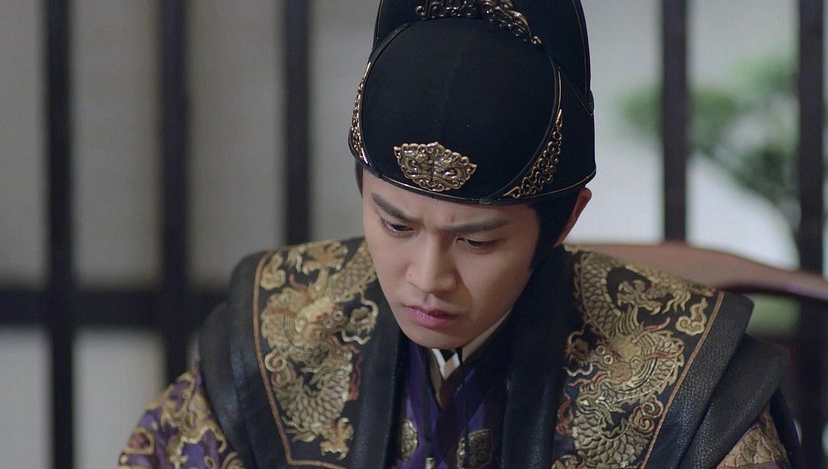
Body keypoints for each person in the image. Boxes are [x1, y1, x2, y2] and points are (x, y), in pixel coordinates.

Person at [118, 0, 801, 467]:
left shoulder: (685, 377)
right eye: (395, 223)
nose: (426, 277)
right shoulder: (275, 332)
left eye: (476, 241)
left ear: (565, 220)